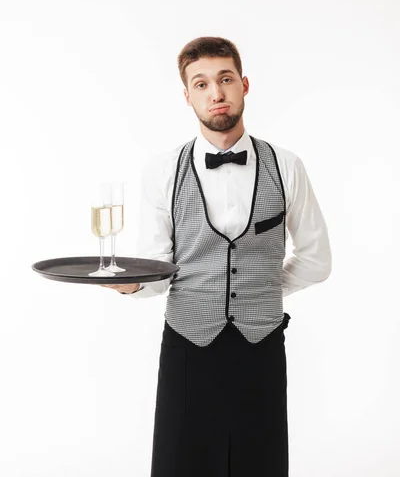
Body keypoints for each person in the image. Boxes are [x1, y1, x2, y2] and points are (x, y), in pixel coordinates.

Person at [100, 36, 332, 476]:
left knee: (258, 466)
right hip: (187, 351)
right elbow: (158, 266)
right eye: (201, 83)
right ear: (187, 96)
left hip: (260, 351)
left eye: (225, 79)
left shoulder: (286, 166)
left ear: (244, 84)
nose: (216, 93)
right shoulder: (164, 169)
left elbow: (318, 259)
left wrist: (260, 287)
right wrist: (131, 285)